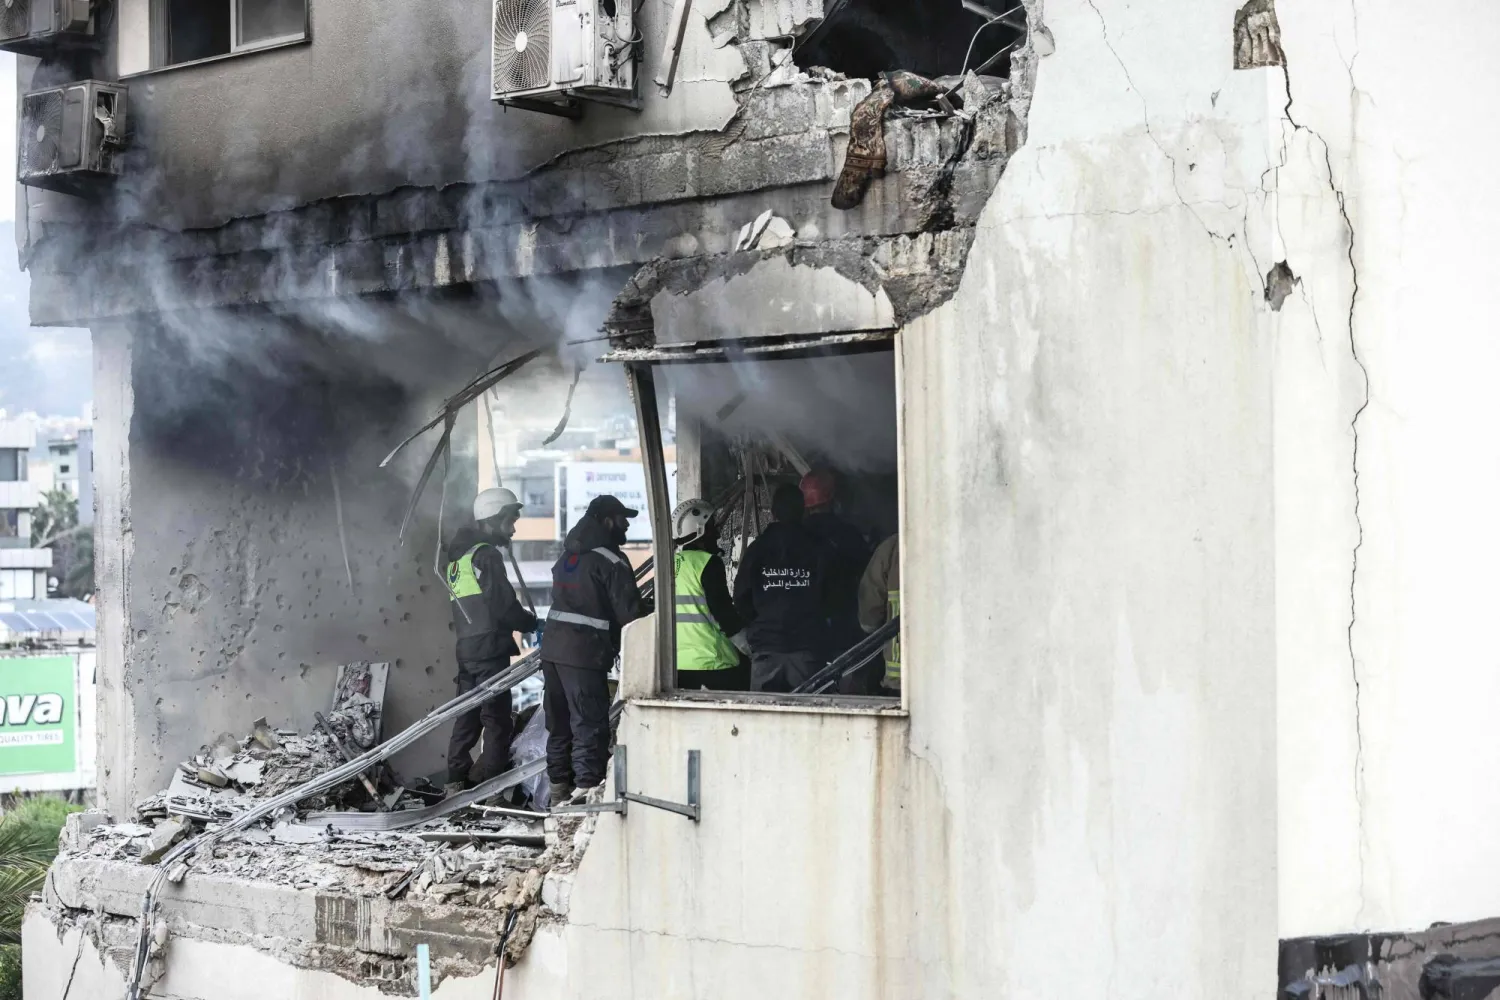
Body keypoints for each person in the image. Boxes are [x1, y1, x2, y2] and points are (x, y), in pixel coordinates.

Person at [539, 494, 648, 805]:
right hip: (583, 654)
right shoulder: (612, 560)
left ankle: (558, 793)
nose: (626, 524)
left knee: (559, 724)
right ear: (606, 521)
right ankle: (588, 795)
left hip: (552, 652)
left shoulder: (567, 557)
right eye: (622, 518)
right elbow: (631, 617)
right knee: (589, 724)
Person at [443, 487, 538, 797]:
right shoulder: (486, 554)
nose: (512, 528)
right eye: (509, 520)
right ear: (493, 518)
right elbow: (502, 604)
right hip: (489, 649)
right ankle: (494, 791)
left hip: (467, 649)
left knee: (466, 716)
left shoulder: (459, 558)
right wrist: (531, 623)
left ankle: (455, 782)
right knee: (496, 719)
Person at [733, 483, 829, 692]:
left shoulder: (757, 549)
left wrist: (761, 622)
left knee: (761, 718)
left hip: (766, 647)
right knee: (807, 717)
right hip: (806, 648)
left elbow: (740, 596)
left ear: (773, 512)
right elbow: (831, 595)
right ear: (802, 510)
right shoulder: (819, 548)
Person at [671, 498, 751, 691]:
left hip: (678, 665)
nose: (717, 533)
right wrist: (750, 648)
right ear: (700, 531)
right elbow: (723, 613)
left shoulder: (669, 564)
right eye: (712, 527)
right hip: (715, 663)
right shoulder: (708, 563)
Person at [800, 469, 870, 662]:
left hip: (805, 629)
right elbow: (867, 574)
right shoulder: (848, 534)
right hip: (844, 623)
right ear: (834, 499)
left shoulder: (796, 535)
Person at [857, 532, 901, 695]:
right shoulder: (955, 545)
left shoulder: (892, 549)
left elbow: (869, 616)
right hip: (947, 675)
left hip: (899, 681)